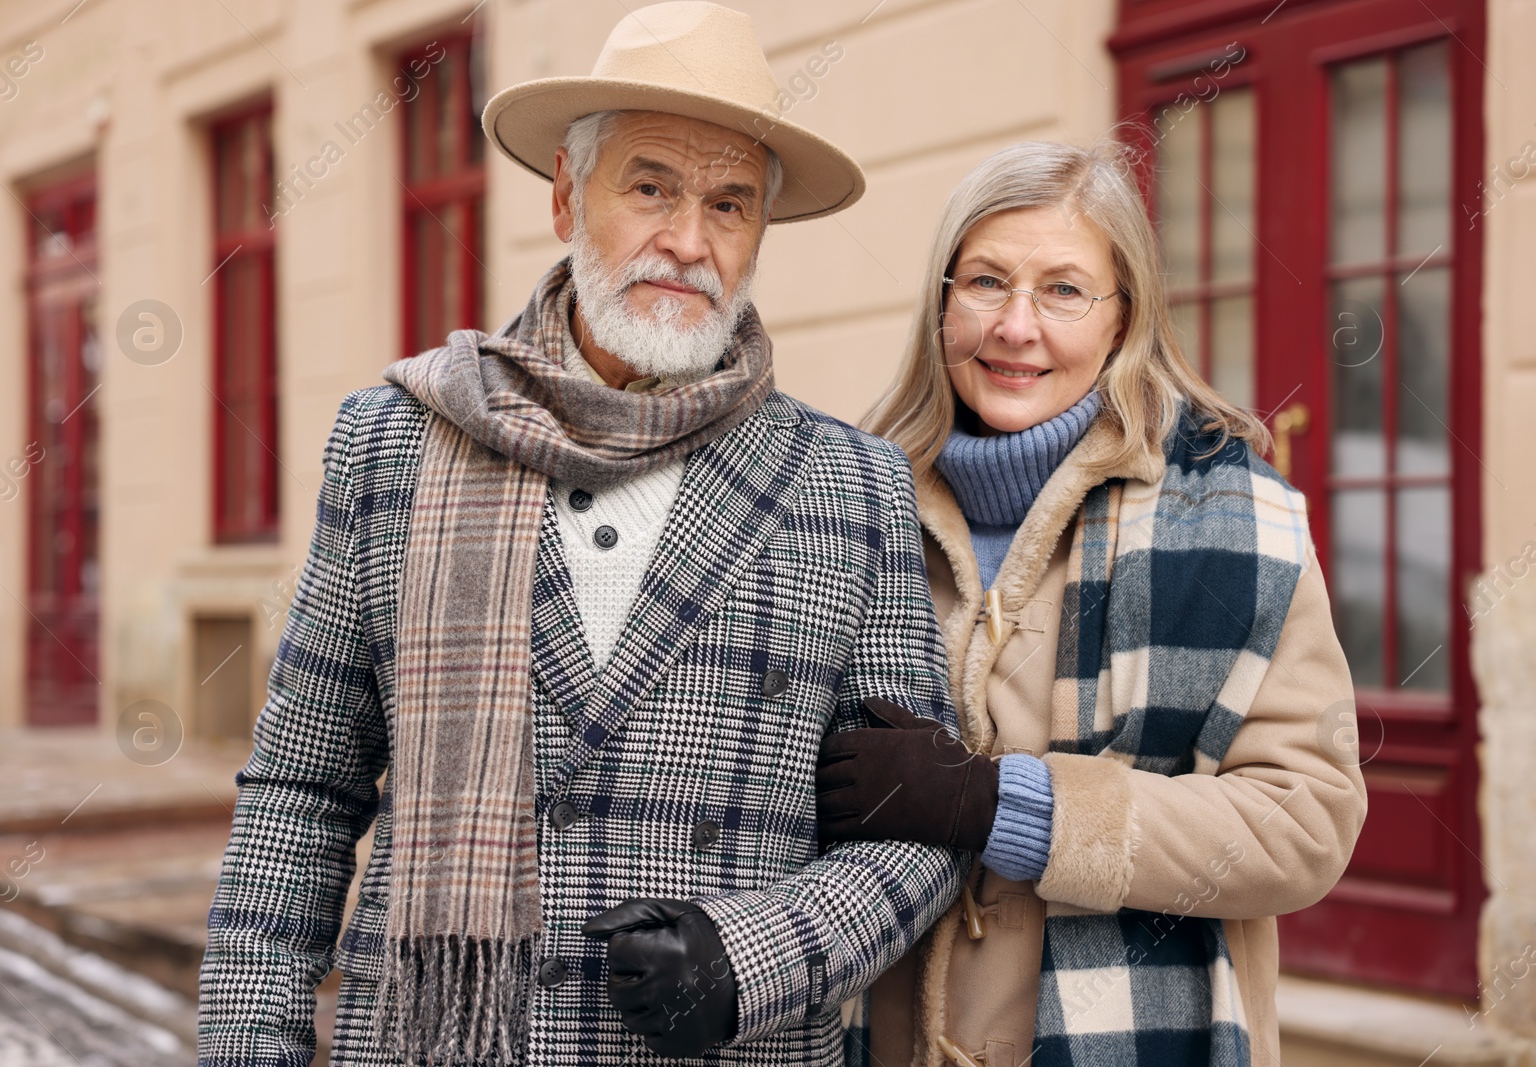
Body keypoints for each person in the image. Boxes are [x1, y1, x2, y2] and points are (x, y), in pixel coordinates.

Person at [196, 4, 967, 1065]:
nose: (688, 241)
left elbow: (915, 828)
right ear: (566, 191)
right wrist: (249, 1044)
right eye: (650, 186)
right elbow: (303, 787)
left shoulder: (854, 485)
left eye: (729, 202)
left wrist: (754, 955)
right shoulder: (393, 444)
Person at [816, 140, 1368, 1067]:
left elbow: (1304, 824)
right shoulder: (847, 503)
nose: (1016, 326)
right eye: (986, 281)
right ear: (942, 302)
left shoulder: (1238, 516)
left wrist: (1006, 807)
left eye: (1064, 290)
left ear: (1123, 319)